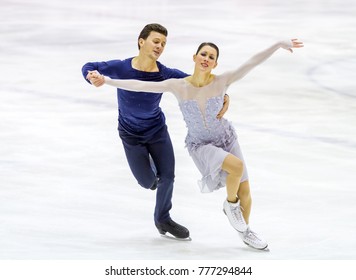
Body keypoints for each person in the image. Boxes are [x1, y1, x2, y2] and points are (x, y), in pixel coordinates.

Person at [88, 38, 304, 249]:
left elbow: (252, 63)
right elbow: (140, 85)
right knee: (236, 168)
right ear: (194, 57)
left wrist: (277, 45)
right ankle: (230, 205)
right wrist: (107, 81)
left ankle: (245, 232)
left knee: (245, 190)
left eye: (211, 57)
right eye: (203, 54)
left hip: (227, 138)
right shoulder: (178, 86)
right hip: (201, 145)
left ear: (215, 63)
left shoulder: (222, 81)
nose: (206, 59)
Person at [82, 23, 229, 240]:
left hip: (157, 131)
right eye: (156, 41)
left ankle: (163, 219)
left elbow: (199, 83)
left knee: (168, 176)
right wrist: (91, 76)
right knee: (148, 182)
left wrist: (223, 95)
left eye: (163, 44)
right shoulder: (122, 68)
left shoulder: (164, 74)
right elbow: (89, 65)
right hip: (131, 136)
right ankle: (151, 175)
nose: (160, 46)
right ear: (141, 41)